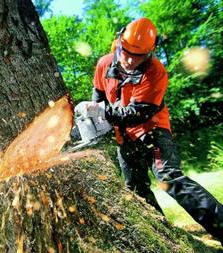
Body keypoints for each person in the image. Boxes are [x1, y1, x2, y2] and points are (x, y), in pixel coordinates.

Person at [91, 17, 223, 243]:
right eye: (127, 52)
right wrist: (93, 114)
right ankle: (165, 239)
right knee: (136, 190)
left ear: (149, 52)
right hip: (125, 137)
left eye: (137, 56)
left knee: (170, 179)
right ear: (120, 43)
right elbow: (99, 95)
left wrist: (103, 113)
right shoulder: (104, 64)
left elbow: (137, 114)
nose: (130, 60)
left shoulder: (155, 72)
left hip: (153, 132)